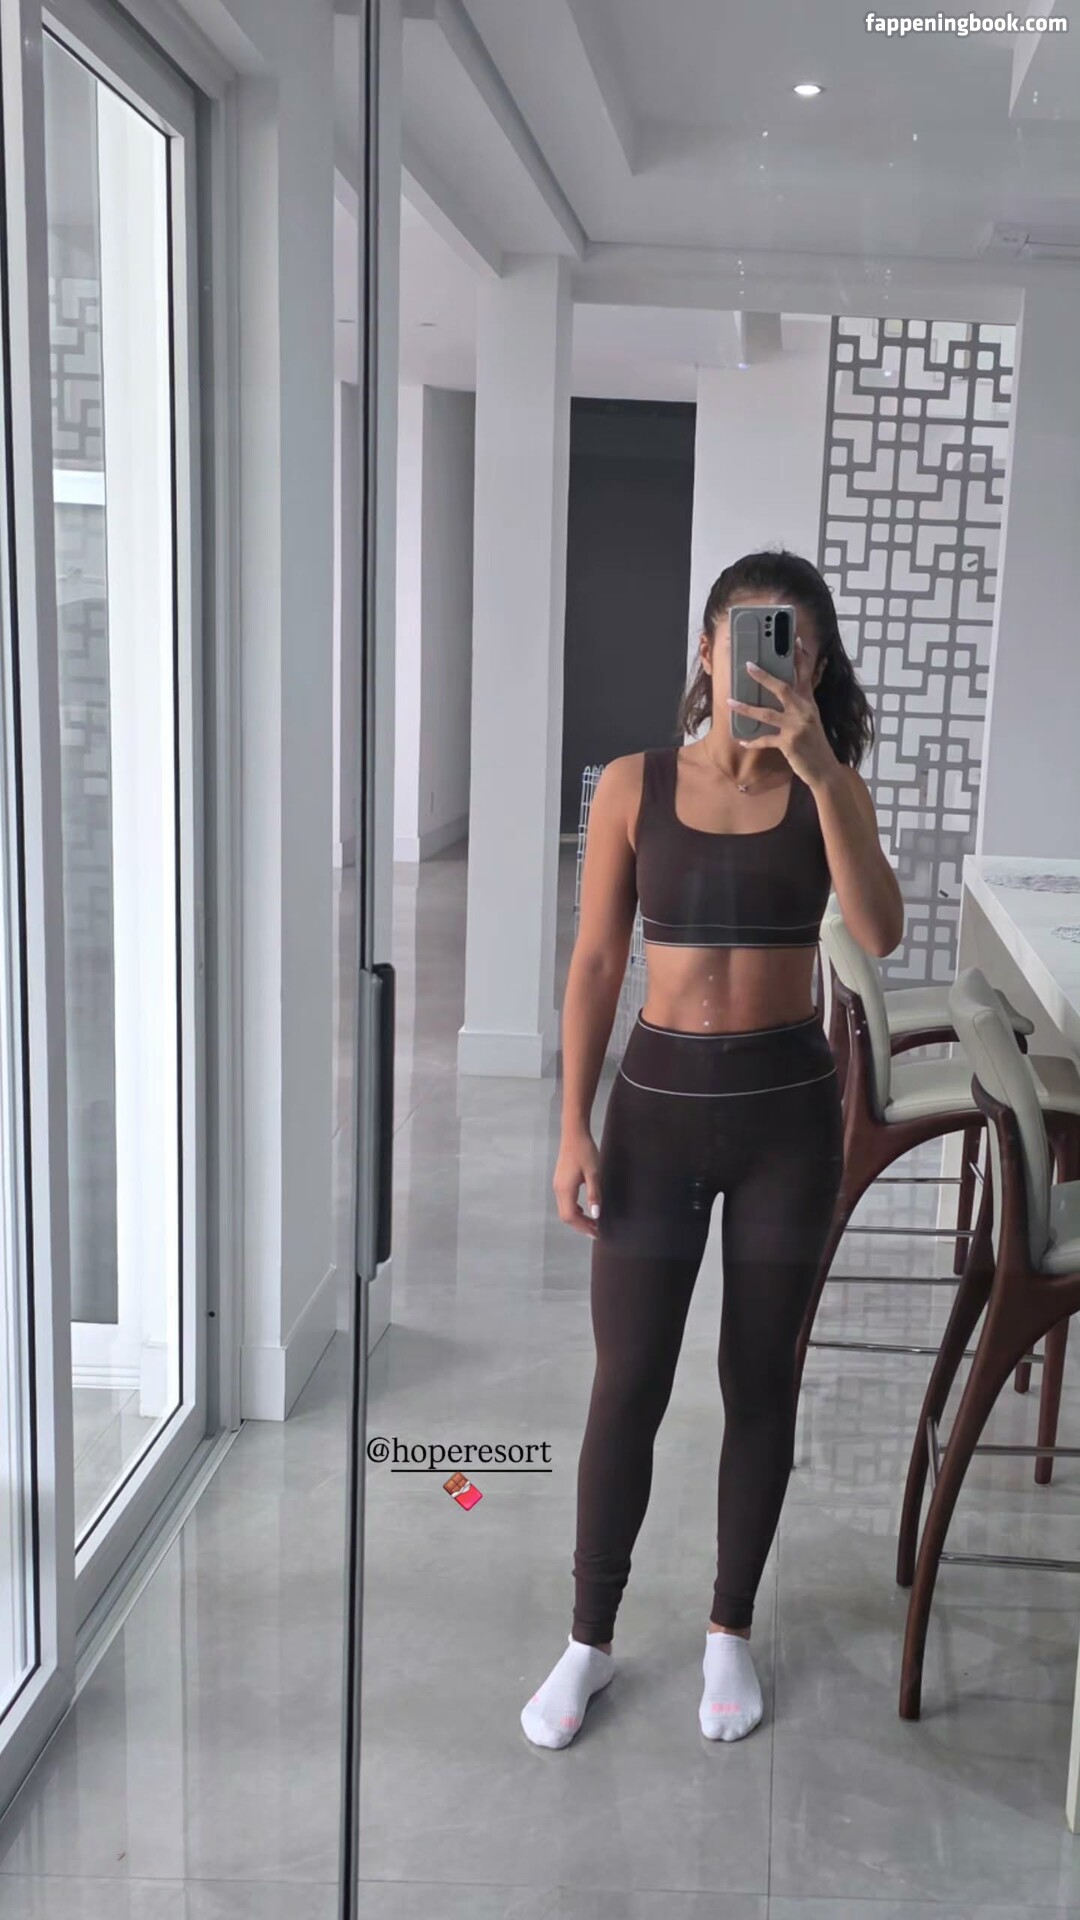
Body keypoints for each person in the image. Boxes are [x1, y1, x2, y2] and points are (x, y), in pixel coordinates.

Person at [521, 549, 904, 1751]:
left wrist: (821, 770)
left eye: (792, 646)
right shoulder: (633, 785)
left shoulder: (830, 789)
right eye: (743, 639)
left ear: (815, 666)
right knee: (628, 1380)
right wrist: (571, 1126)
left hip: (790, 1119)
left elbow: (881, 931)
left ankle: (728, 1629)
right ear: (706, 650)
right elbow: (596, 962)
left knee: (759, 1380)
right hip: (657, 1112)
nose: (763, 666)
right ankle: (589, 1641)